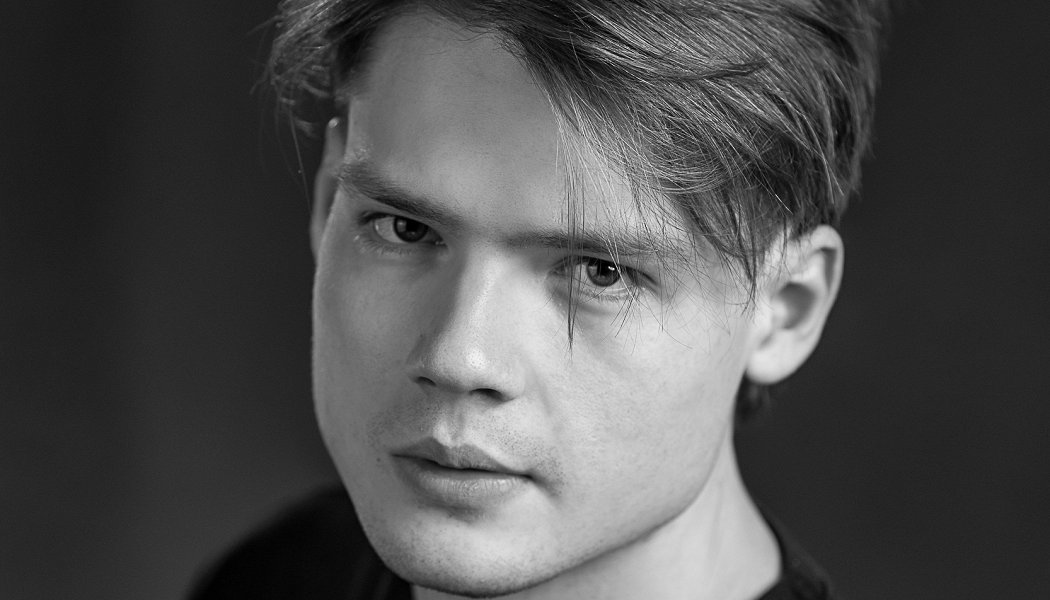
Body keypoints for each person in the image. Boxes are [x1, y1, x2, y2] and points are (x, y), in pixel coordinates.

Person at [192, 1, 886, 598]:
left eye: (599, 272)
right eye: (404, 229)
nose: (460, 358)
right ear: (328, 206)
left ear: (786, 309)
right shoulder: (284, 575)